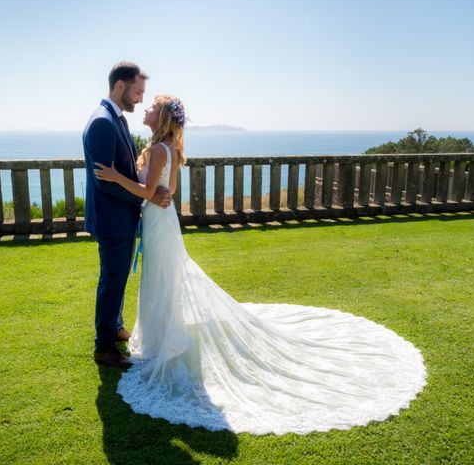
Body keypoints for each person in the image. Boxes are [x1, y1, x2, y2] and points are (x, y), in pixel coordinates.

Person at [94, 95, 427, 435]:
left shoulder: (161, 150)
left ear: (162, 116)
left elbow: (150, 190)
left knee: (164, 279)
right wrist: (156, 193)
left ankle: (165, 341)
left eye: (152, 106)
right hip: (161, 222)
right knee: (163, 279)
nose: (146, 108)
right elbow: (168, 190)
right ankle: (162, 336)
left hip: (158, 222)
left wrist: (114, 177)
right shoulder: (168, 148)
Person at [82, 61, 171, 369]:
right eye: (137, 91)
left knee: (119, 278)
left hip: (121, 216)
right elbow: (104, 183)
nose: (140, 99)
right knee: (112, 279)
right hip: (112, 218)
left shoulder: (116, 118)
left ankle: (115, 325)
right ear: (120, 86)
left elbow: (122, 170)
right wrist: (146, 195)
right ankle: (103, 346)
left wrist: (145, 190)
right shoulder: (102, 123)